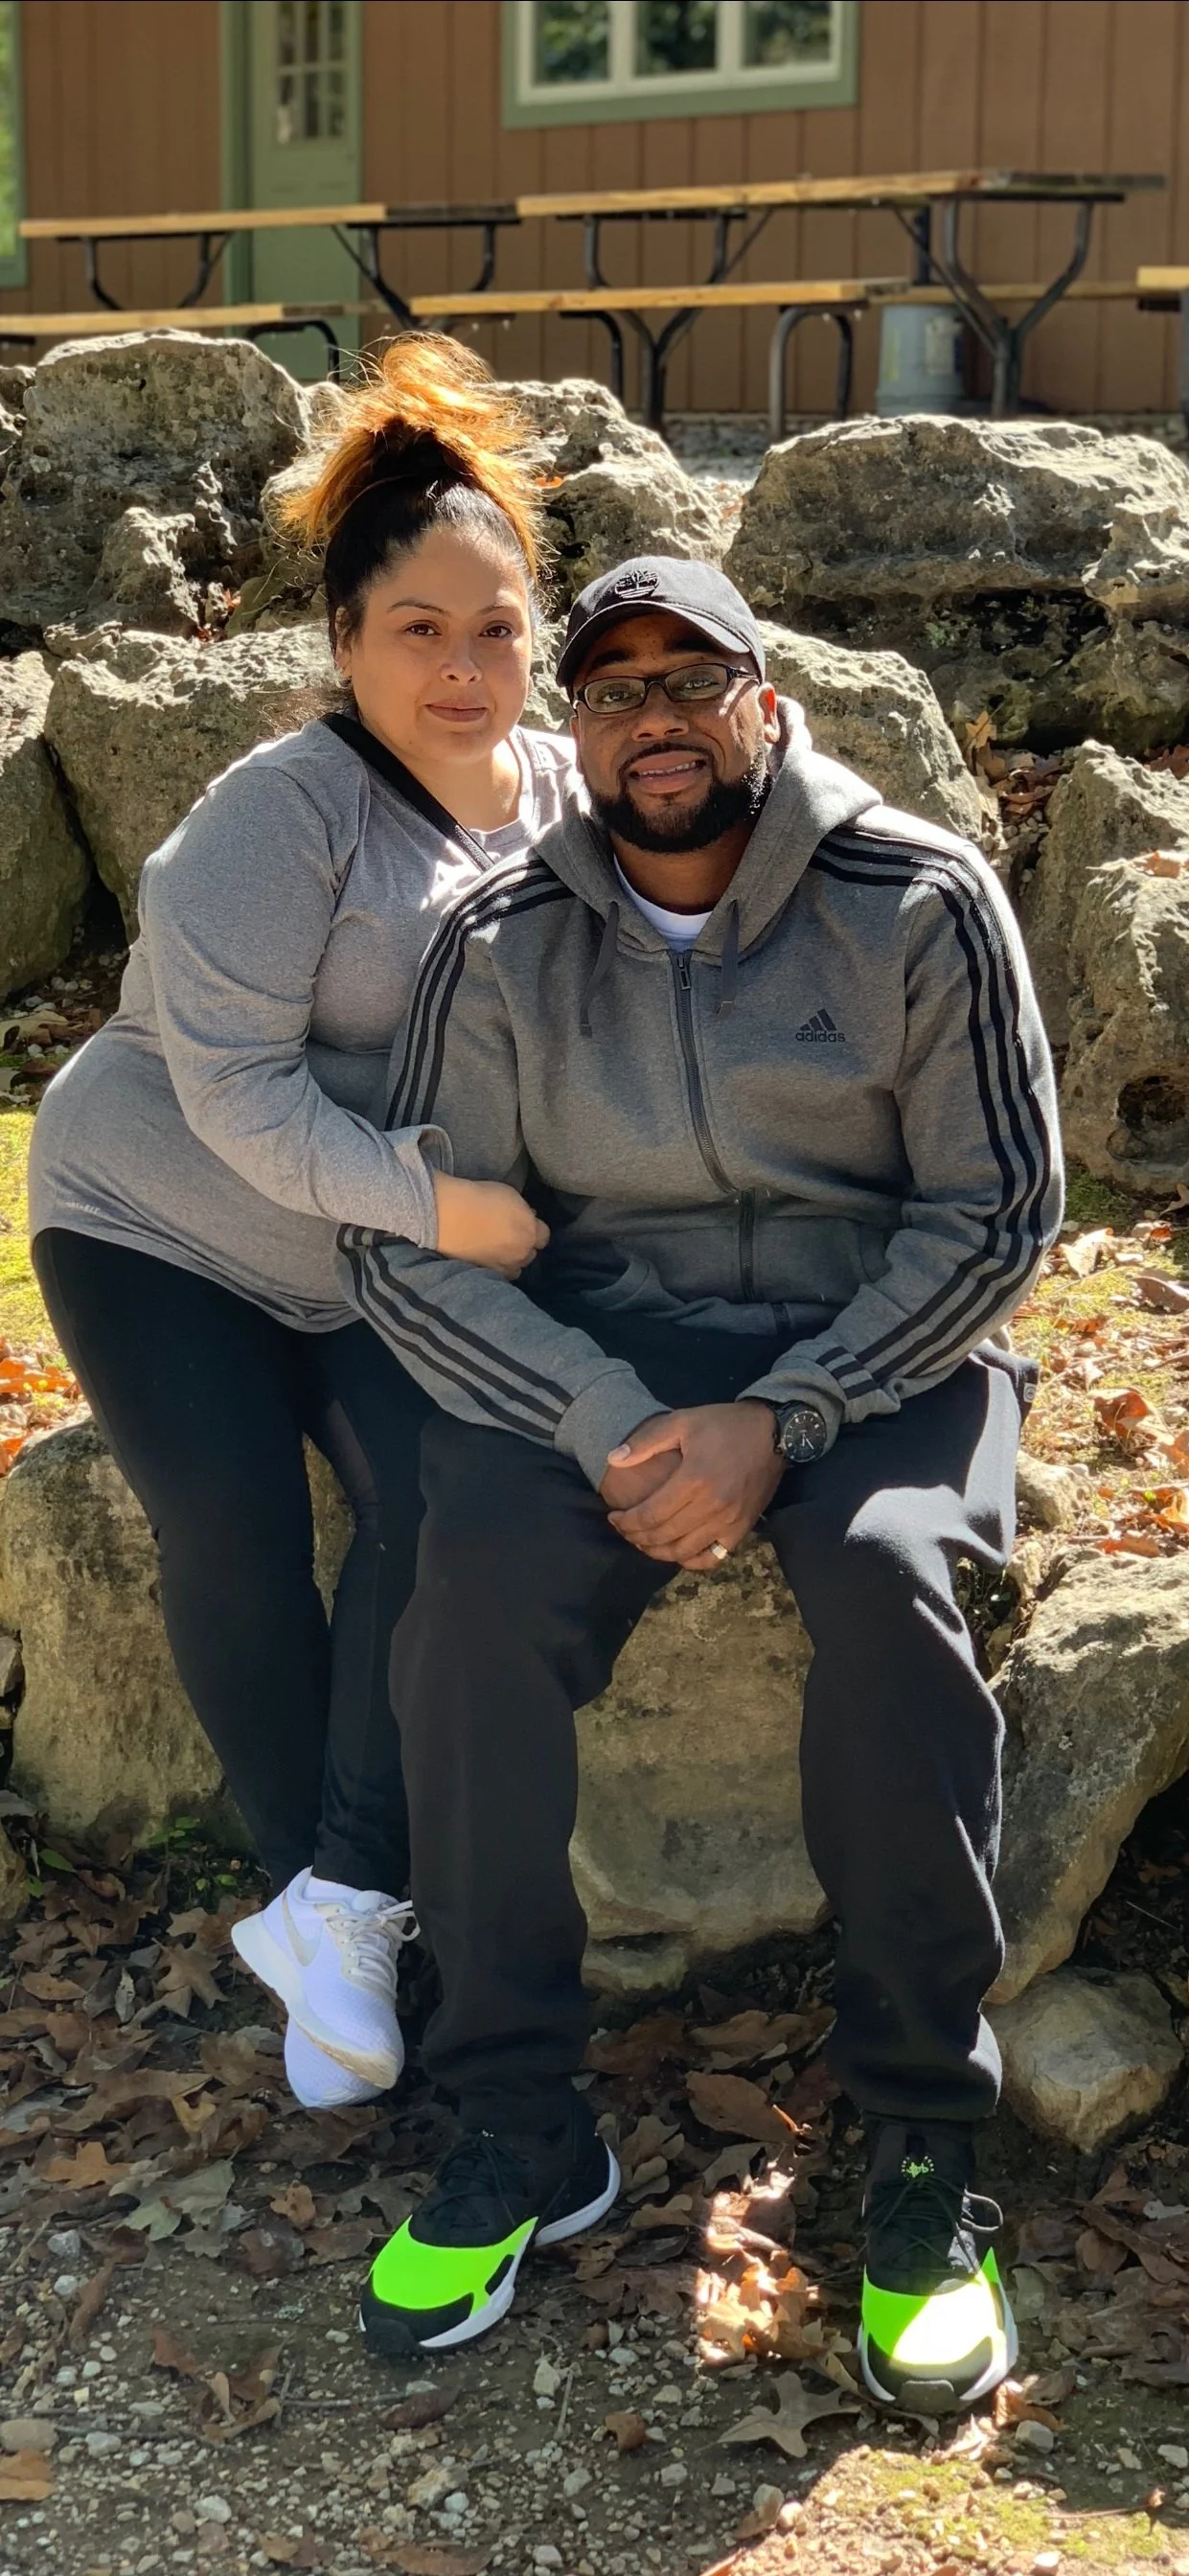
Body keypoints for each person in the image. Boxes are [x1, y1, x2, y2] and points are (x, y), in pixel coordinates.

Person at [337, 557, 1063, 2410]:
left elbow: (998, 1215)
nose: (651, 714)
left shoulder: (920, 898)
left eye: (690, 675)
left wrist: (794, 1417)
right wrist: (603, 1422)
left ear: (765, 696)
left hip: (878, 1350)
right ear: (573, 728)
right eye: (610, 686)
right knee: (470, 1588)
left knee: (888, 1583)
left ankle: (916, 2141)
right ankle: (515, 2122)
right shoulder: (499, 934)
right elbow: (414, 1243)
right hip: (610, 1364)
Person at [27, 334, 565, 2114]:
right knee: (238, 1526)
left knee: (438, 1501)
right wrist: (436, 1200)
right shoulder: (276, 817)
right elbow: (233, 1091)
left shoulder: (558, 802)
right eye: (419, 628)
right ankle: (316, 1902)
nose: (465, 666)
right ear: (342, 641)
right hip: (156, 1213)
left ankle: (344, 1899)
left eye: (495, 626)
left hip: (360, 1266)